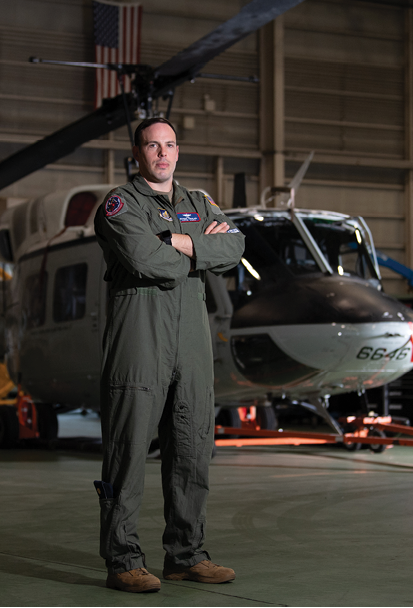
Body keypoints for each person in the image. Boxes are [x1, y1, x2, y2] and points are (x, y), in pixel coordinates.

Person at [93, 117, 246, 593]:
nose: (162, 153)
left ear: (178, 151)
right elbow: (144, 259)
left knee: (193, 449)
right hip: (140, 341)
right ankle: (123, 560)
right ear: (137, 153)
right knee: (128, 453)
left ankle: (186, 554)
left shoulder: (197, 202)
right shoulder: (120, 204)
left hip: (192, 345)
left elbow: (235, 245)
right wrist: (201, 248)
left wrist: (180, 242)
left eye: (170, 145)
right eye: (152, 145)